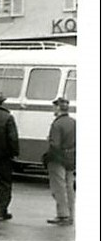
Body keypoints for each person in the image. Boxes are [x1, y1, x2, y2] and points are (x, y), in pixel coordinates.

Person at [44, 97, 75, 226]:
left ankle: (62, 215)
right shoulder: (74, 122)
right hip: (71, 157)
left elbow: (55, 144)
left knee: (59, 187)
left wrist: (47, 157)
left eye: (54, 107)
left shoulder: (57, 124)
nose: (53, 110)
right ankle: (70, 214)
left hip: (58, 158)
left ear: (58, 108)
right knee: (69, 186)